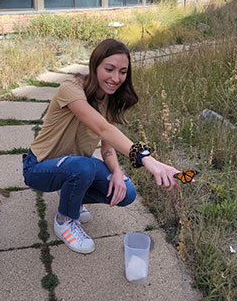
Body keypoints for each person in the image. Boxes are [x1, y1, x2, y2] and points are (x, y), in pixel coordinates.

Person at [23, 39, 180, 254]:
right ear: (95, 65)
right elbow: (103, 129)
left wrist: (117, 172)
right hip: (38, 167)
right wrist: (148, 160)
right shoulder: (71, 89)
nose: (116, 78)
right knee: (84, 167)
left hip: (75, 166)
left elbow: (107, 147)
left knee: (127, 193)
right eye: (109, 69)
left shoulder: (111, 100)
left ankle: (71, 198)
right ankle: (64, 220)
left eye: (123, 72)